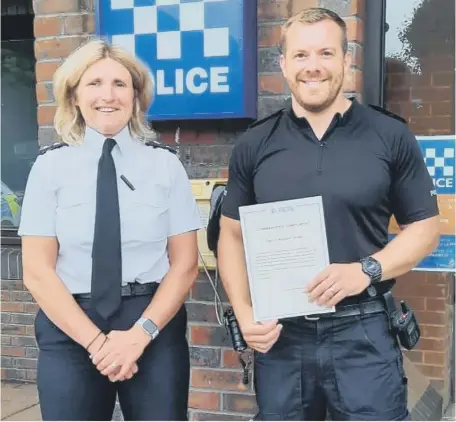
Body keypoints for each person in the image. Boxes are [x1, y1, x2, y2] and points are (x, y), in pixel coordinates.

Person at [217, 7, 440, 421]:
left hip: (364, 332)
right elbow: (231, 235)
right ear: (283, 64)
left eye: (325, 53)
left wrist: (366, 269)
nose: (313, 67)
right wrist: (245, 314)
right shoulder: (255, 144)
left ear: (346, 59)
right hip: (282, 336)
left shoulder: (389, 134)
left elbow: (426, 228)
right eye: (301, 56)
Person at [18, 38, 202, 421]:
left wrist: (138, 336)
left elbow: (184, 265)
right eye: (95, 83)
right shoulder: (50, 168)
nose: (108, 95)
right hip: (71, 324)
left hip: (150, 321)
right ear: (74, 95)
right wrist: (97, 344)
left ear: (136, 96)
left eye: (120, 84)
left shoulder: (165, 166)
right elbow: (37, 271)